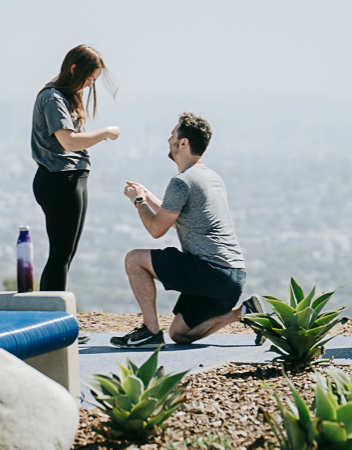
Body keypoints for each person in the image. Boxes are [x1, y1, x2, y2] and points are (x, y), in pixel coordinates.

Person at [112, 112, 263, 349]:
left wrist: (138, 201)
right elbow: (174, 216)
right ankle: (243, 312)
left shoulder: (182, 182)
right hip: (232, 276)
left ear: (183, 143)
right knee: (180, 334)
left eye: (172, 136)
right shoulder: (210, 177)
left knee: (134, 260)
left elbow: (156, 229)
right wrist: (147, 194)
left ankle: (150, 331)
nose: (168, 140)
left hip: (211, 271)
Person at [31, 45, 119, 291]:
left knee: (65, 254)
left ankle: (52, 315)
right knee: (60, 255)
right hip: (59, 179)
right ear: (73, 69)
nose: (90, 85)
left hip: (70, 178)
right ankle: (52, 318)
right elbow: (68, 141)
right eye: (89, 78)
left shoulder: (64, 96)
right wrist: (106, 133)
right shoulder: (53, 97)